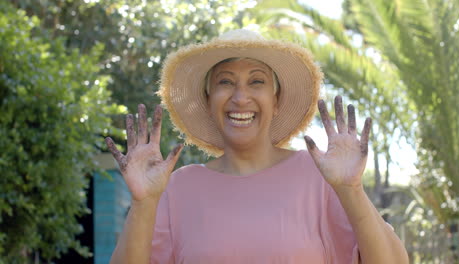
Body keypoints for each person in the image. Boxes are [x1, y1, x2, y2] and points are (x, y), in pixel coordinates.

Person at [105, 29, 409, 264]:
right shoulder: (177, 189)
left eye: (257, 82)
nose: (240, 97)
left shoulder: (320, 176)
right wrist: (144, 204)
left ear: (276, 102)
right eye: (225, 82)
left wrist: (351, 189)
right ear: (208, 101)